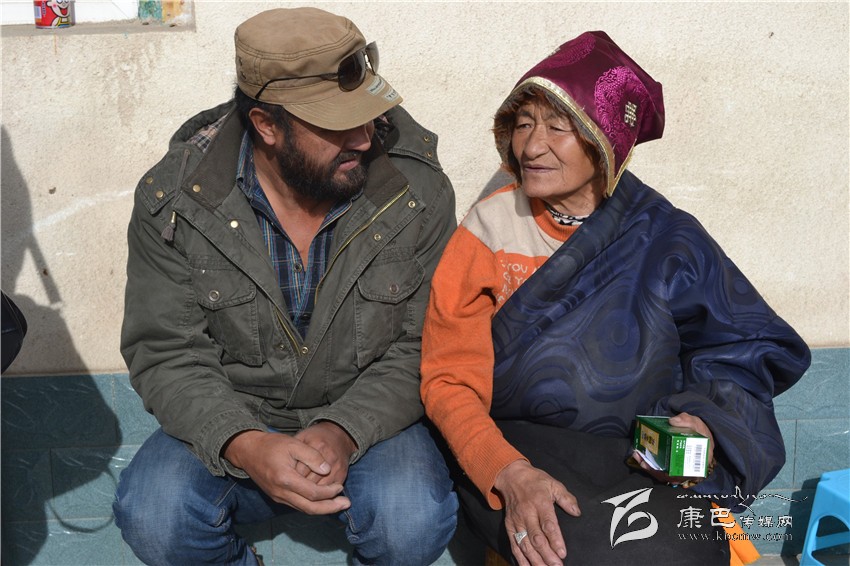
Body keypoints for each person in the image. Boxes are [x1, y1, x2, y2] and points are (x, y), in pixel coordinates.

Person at [420, 31, 810, 566]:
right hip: (518, 452)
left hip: (640, 453)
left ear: (606, 142)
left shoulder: (664, 236)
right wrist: (507, 472)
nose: (531, 146)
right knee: (569, 551)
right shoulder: (489, 230)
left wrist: (705, 421)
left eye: (557, 127)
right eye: (524, 123)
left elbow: (741, 345)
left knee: (690, 549)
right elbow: (448, 379)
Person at [114, 8, 458, 565]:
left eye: (368, 116)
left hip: (369, 415)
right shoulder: (176, 199)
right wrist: (245, 444)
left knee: (411, 519)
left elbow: (425, 344)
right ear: (266, 125)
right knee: (155, 515)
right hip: (236, 413)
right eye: (336, 124)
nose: (363, 138)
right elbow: (166, 351)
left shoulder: (415, 190)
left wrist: (344, 429)